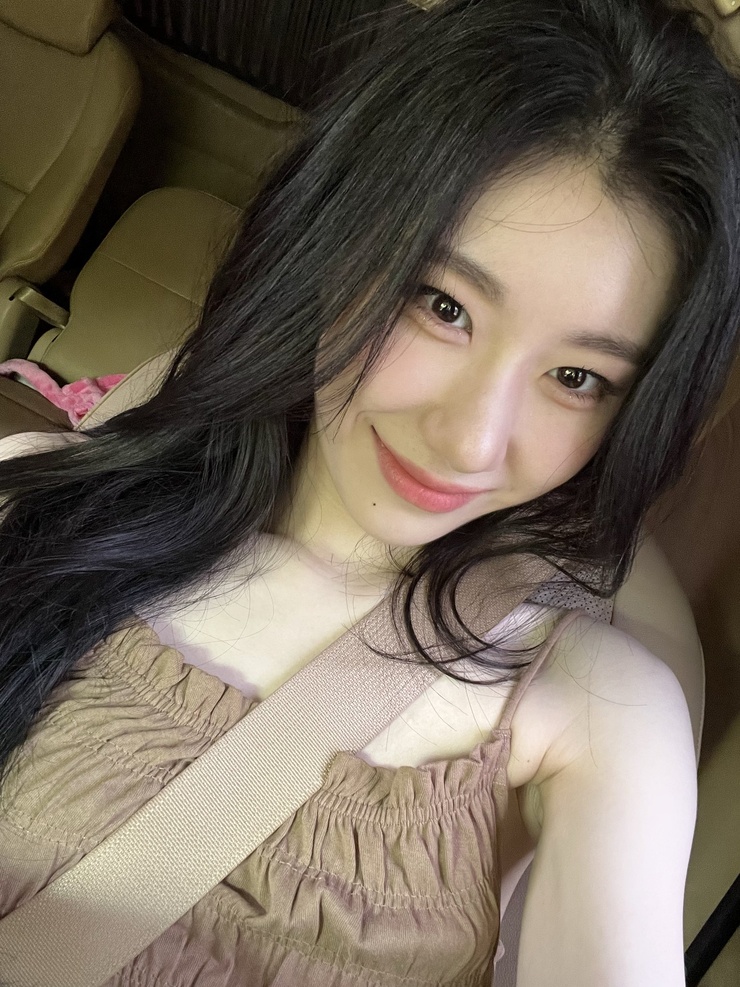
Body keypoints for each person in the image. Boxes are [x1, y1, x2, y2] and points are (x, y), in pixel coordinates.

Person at [0, 0, 739, 984]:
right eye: (442, 306)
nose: (470, 439)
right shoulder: (36, 506)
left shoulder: (598, 711)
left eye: (576, 378)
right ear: (335, 240)